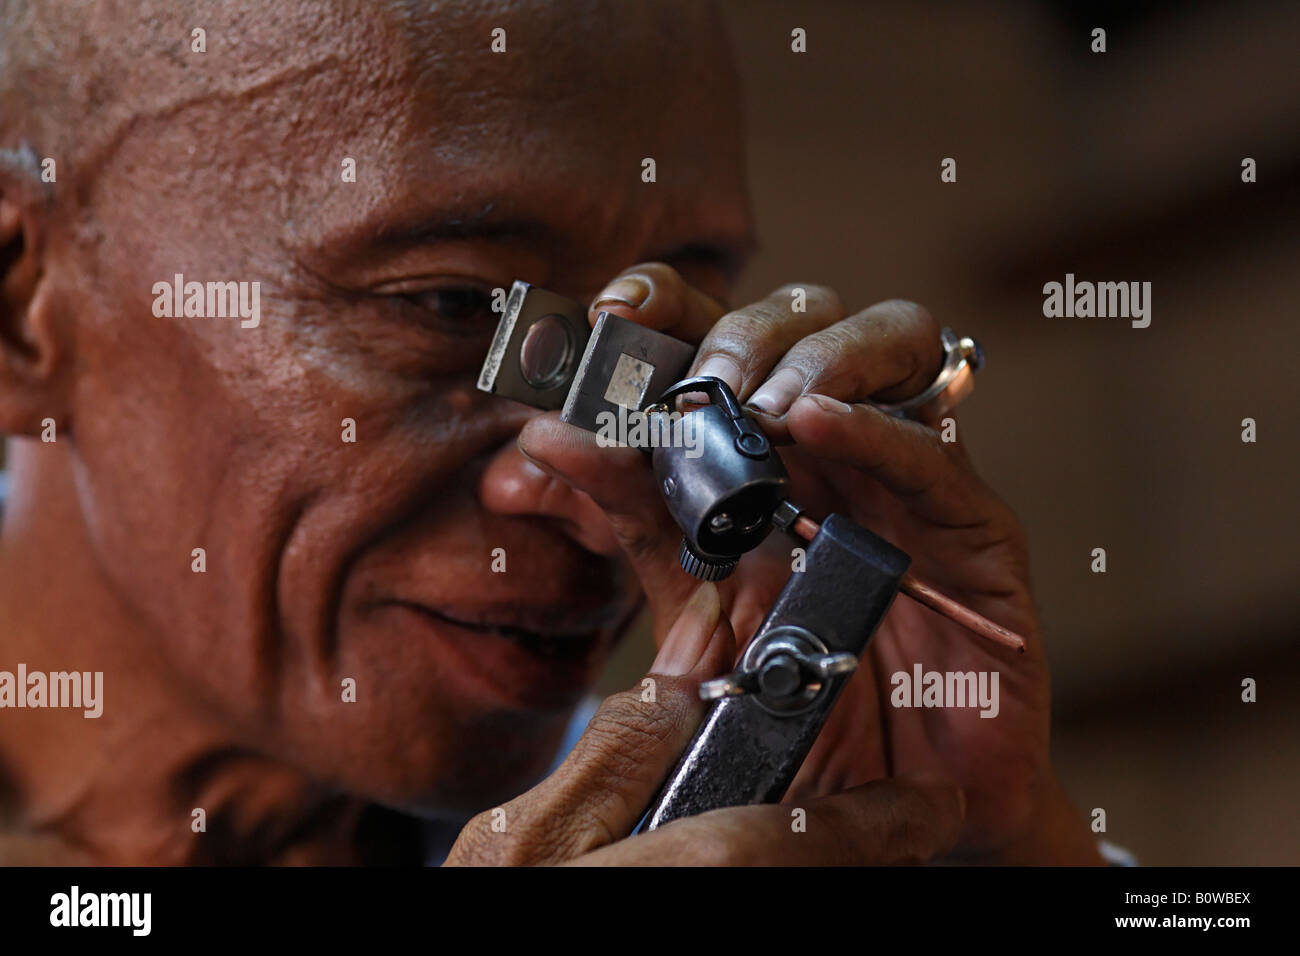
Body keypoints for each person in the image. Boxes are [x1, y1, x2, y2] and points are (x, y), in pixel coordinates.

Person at [0, 0, 1102, 865]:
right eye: (445, 307)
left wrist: (989, 847)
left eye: (673, 361)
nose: (591, 480)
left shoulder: (701, 804)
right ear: (21, 313)